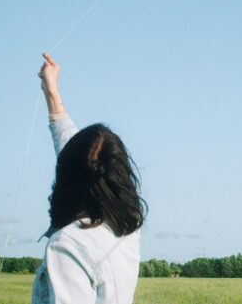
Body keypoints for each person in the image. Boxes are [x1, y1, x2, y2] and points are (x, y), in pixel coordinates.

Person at [32, 53, 146, 304]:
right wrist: (51, 91)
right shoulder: (127, 227)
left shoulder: (68, 246)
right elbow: (78, 154)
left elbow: (78, 159)